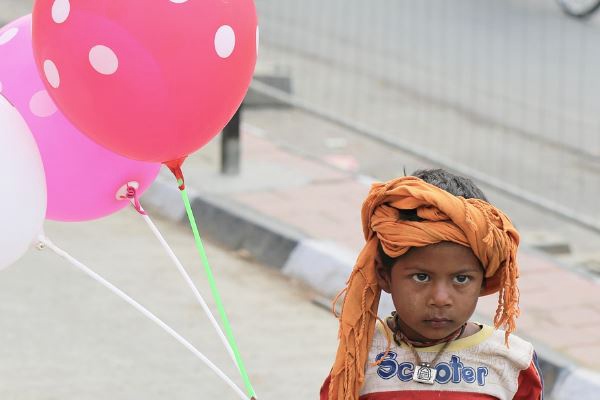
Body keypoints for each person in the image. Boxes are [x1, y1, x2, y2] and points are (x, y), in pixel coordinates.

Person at [320, 169, 543, 399]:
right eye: (421, 277)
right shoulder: (360, 355)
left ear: (483, 280)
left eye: (461, 279)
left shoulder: (511, 362)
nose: (440, 299)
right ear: (384, 275)